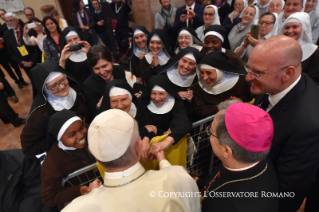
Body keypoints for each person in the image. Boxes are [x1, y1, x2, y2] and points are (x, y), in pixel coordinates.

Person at [62, 109, 200, 212]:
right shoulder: (180, 178)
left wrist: (91, 198)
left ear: (92, 152)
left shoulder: (76, 209)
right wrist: (165, 164)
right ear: (139, 147)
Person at [246, 35, 319, 212]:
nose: (248, 77)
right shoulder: (271, 85)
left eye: (257, 72)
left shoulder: (308, 124)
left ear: (288, 73)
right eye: (249, 69)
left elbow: (288, 191)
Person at [197, 102, 278, 211]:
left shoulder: (233, 206)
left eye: (210, 132)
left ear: (226, 150)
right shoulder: (252, 160)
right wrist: (198, 183)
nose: (209, 136)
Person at [20, 61, 90, 156]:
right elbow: (28, 147)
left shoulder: (77, 90)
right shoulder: (40, 113)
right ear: (44, 89)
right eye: (53, 86)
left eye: (63, 80)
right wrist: (59, 139)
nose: (61, 86)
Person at [41, 109, 100, 207]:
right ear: (59, 138)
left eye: (81, 128)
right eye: (72, 135)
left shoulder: (91, 131)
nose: (81, 135)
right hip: (85, 202)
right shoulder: (53, 163)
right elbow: (48, 198)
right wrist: (79, 190)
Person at [98, 80, 155, 161]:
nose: (120, 106)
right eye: (114, 101)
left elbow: (152, 127)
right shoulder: (104, 119)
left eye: (124, 99)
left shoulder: (138, 104)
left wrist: (146, 139)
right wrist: (144, 130)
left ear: (130, 97)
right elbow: (121, 140)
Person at [193, 52, 251, 119]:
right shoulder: (198, 85)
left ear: (220, 72)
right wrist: (224, 106)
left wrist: (240, 100)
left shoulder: (242, 80)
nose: (204, 77)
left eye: (209, 73)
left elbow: (250, 97)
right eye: (202, 72)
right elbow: (199, 110)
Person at [145, 75, 192, 155]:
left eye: (161, 94)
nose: (157, 98)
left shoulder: (176, 102)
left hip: (170, 147)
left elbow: (182, 121)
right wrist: (162, 133)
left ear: (168, 92)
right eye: (153, 93)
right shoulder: (143, 103)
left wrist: (167, 140)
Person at [83, 44, 127, 116]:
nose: (102, 72)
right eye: (97, 68)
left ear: (112, 61)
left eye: (104, 66)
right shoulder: (88, 85)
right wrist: (99, 105)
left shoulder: (119, 70)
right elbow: (95, 114)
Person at [4, 12, 41, 96]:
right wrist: (21, 62)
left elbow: (36, 48)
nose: (9, 23)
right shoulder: (7, 34)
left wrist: (32, 61)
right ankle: (39, 95)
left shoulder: (28, 29)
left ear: (17, 20)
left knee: (41, 78)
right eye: (7, 21)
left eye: (11, 20)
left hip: (35, 61)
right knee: (33, 80)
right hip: (23, 63)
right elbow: (11, 52)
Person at [280, 12, 319, 85]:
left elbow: (315, 79)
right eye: (287, 27)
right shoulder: (278, 48)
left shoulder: (314, 51)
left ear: (304, 28)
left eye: (295, 27)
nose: (290, 31)